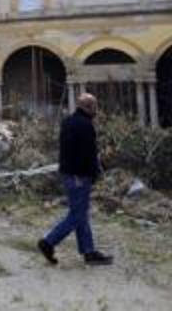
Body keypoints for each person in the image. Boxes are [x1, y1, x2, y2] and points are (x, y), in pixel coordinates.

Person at [37, 93, 113, 266]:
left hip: (68, 173)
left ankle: (89, 252)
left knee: (81, 213)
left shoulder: (68, 121)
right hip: (79, 176)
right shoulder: (85, 125)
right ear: (88, 107)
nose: (96, 110)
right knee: (77, 215)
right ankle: (48, 242)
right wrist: (94, 174)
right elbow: (89, 154)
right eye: (95, 107)